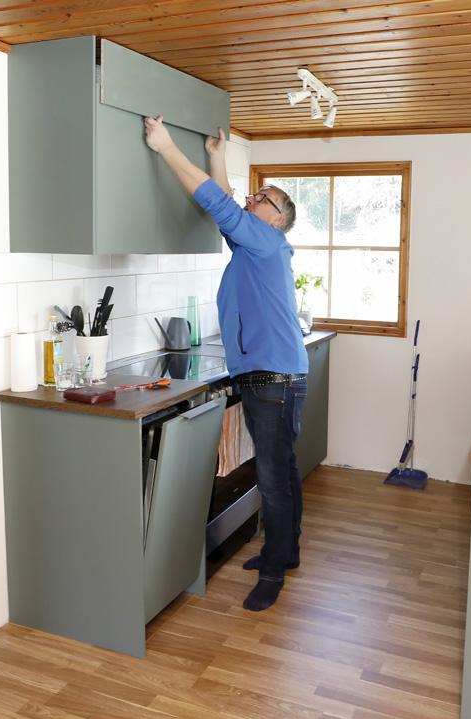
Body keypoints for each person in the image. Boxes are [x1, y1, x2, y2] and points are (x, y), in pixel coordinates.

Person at [144, 115, 308, 612]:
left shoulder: (266, 241)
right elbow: (226, 208)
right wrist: (217, 157)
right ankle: (287, 551)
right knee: (283, 469)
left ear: (275, 219)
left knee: (274, 478)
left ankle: (274, 571)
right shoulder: (258, 245)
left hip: (273, 378)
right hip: (274, 374)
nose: (252, 199)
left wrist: (166, 147)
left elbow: (219, 204)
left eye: (263, 198)